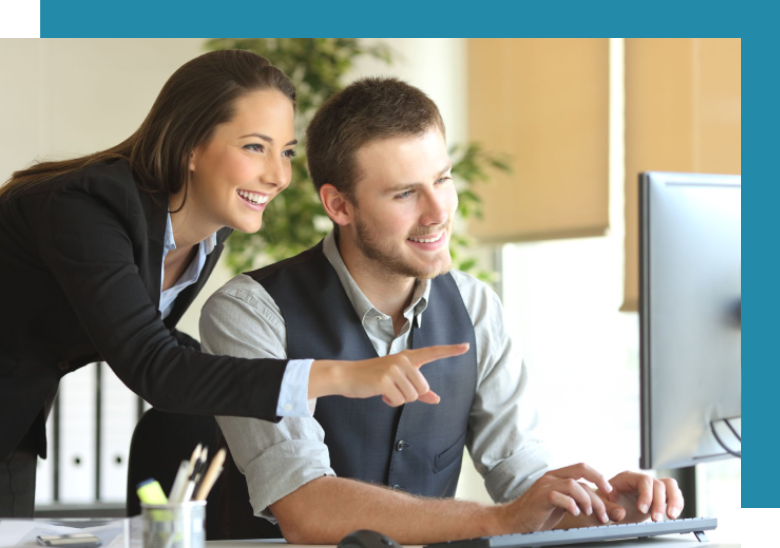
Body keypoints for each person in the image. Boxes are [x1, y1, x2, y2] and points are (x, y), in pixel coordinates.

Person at [200, 77, 685, 544]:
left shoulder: (475, 306)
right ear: (339, 205)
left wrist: (611, 511)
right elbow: (304, 509)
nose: (438, 213)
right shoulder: (251, 314)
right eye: (405, 193)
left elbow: (523, 477)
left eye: (442, 179)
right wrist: (498, 520)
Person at [0, 52, 464, 517]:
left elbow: (142, 334)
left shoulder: (207, 228)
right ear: (190, 147)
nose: (279, 176)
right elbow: (153, 366)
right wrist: (341, 373)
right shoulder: (85, 209)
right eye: (254, 148)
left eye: (285, 152)